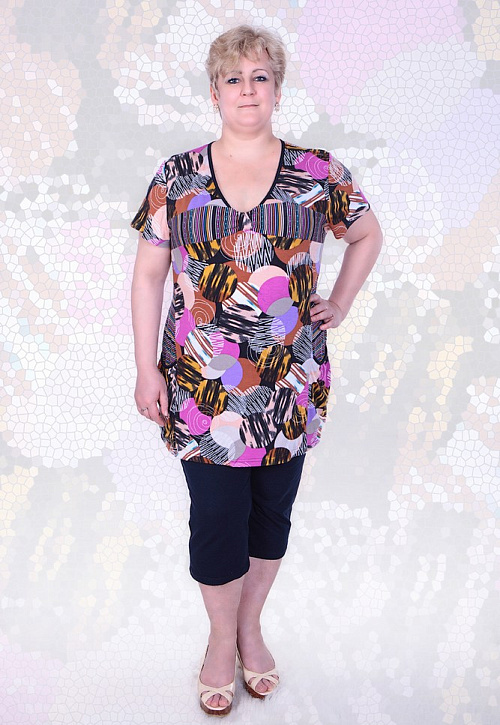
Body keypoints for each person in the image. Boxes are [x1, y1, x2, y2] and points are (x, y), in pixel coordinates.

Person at [130, 24, 383, 716]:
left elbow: (367, 233)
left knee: (272, 514)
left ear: (277, 87)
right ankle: (221, 640)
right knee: (217, 518)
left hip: (289, 384)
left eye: (260, 76)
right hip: (201, 388)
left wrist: (339, 302)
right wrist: (145, 368)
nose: (248, 89)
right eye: (234, 78)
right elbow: (149, 275)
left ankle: (250, 626)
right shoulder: (177, 176)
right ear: (214, 92)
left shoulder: (318, 173)